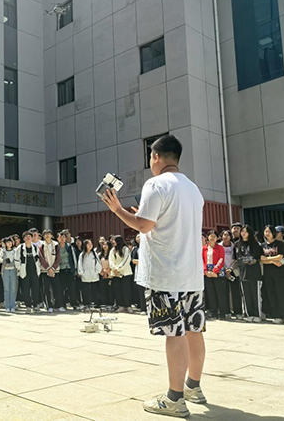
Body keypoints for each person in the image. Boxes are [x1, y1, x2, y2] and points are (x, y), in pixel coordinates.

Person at [102, 134, 206, 417]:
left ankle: (174, 398)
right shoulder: (193, 188)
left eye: (151, 156)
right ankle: (193, 387)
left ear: (157, 156)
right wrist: (143, 216)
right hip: (192, 274)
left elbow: (144, 226)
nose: (151, 161)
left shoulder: (156, 184)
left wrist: (117, 209)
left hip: (166, 273)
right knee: (194, 329)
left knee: (174, 333)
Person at [260, 225, 284, 325]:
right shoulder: (262, 246)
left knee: (282, 295)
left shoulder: (279, 244)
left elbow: (280, 256)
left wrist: (268, 259)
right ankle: (277, 315)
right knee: (272, 295)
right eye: (265, 231)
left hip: (280, 273)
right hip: (268, 274)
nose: (267, 233)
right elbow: (261, 259)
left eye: (269, 231)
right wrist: (272, 261)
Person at [234, 225, 263, 323]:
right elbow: (236, 258)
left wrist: (253, 261)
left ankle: (257, 315)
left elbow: (258, 257)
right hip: (243, 272)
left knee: (256, 295)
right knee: (246, 295)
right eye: (242, 231)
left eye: (246, 231)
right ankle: (249, 314)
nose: (243, 233)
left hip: (254, 272)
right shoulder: (237, 244)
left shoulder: (255, 244)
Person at [203, 231, 229, 320]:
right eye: (211, 236)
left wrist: (215, 271)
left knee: (220, 293)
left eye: (214, 236)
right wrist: (206, 271)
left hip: (218, 273)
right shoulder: (204, 249)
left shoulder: (220, 248)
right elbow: (202, 261)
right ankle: (213, 312)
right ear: (208, 237)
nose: (212, 238)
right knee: (211, 294)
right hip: (207, 273)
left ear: (217, 238)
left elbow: (221, 259)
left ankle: (222, 313)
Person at [15, 231, 41, 313]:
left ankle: (35, 305)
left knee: (35, 289)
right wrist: (19, 268)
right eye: (26, 237)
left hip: (34, 271)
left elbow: (38, 259)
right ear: (23, 239)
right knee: (25, 290)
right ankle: (28, 306)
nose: (28, 238)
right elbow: (16, 260)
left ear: (32, 238)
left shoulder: (35, 248)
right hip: (24, 272)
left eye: (29, 236)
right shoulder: (20, 248)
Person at [220, 230, 242, 320]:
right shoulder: (219, 246)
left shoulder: (235, 246)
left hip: (233, 271)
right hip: (222, 271)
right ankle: (227, 311)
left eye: (228, 235)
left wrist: (230, 269)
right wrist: (225, 269)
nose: (226, 237)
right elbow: (218, 259)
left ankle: (238, 312)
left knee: (235, 292)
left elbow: (237, 259)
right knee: (224, 292)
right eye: (224, 235)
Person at [39, 229, 63, 313]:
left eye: (48, 234)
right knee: (46, 289)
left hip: (55, 270)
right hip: (45, 271)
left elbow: (58, 258)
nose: (47, 235)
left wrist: (53, 268)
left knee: (57, 288)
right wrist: (48, 268)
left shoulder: (56, 245)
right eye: (45, 234)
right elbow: (41, 258)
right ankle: (49, 305)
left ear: (52, 235)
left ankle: (58, 305)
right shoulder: (41, 245)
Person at [109, 236, 133, 312]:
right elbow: (110, 260)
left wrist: (118, 268)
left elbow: (126, 260)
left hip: (125, 273)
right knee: (118, 290)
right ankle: (121, 305)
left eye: (114, 240)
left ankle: (128, 305)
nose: (113, 242)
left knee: (126, 290)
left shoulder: (125, 249)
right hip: (116, 274)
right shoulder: (112, 250)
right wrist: (114, 269)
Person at [77, 239, 101, 307]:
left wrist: (96, 272)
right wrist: (82, 273)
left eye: (91, 244)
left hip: (94, 276)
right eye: (88, 244)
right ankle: (86, 304)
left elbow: (98, 263)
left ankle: (95, 304)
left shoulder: (94, 254)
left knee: (94, 291)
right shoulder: (82, 255)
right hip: (85, 276)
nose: (90, 245)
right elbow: (80, 264)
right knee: (85, 291)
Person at [57, 231, 78, 309]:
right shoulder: (56, 247)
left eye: (63, 237)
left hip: (69, 269)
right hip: (60, 270)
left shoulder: (69, 247)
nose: (62, 239)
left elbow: (73, 258)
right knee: (61, 288)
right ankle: (62, 304)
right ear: (57, 239)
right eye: (60, 237)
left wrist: (75, 269)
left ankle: (74, 304)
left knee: (71, 288)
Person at [0, 237, 18, 312]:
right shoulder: (3, 251)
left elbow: (17, 260)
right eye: (7, 242)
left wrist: (11, 264)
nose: (9, 243)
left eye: (10, 242)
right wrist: (4, 261)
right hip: (5, 271)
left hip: (13, 270)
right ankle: (7, 306)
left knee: (13, 289)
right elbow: (0, 259)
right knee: (6, 289)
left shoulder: (15, 251)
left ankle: (12, 306)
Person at [131, 234, 146, 314]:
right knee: (140, 291)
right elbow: (133, 260)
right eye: (137, 236)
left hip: (147, 271)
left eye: (140, 236)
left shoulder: (147, 247)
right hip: (139, 271)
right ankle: (142, 307)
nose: (138, 238)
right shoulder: (136, 249)